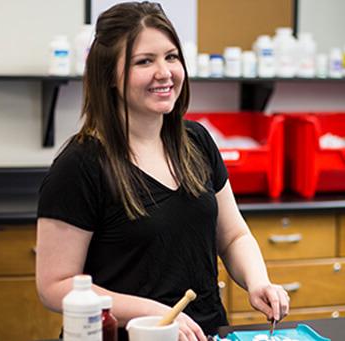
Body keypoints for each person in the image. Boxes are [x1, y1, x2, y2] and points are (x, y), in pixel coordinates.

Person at [34, 2, 289, 340]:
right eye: (145, 61)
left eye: (171, 57)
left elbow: (232, 236)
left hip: (206, 332)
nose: (165, 72)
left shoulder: (196, 141)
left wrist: (259, 281)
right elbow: (54, 286)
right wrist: (153, 312)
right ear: (109, 75)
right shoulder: (80, 166)